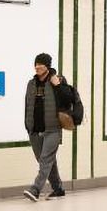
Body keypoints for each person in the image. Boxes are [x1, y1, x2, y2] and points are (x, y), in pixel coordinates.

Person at [23, 53, 72, 202]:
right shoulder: (31, 83)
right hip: (35, 131)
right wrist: (27, 125)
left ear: (48, 66)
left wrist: (58, 86)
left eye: (41, 64)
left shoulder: (58, 80)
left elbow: (69, 99)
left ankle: (35, 189)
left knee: (45, 160)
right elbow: (27, 105)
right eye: (36, 64)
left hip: (53, 129)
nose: (37, 67)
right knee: (47, 161)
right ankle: (58, 189)